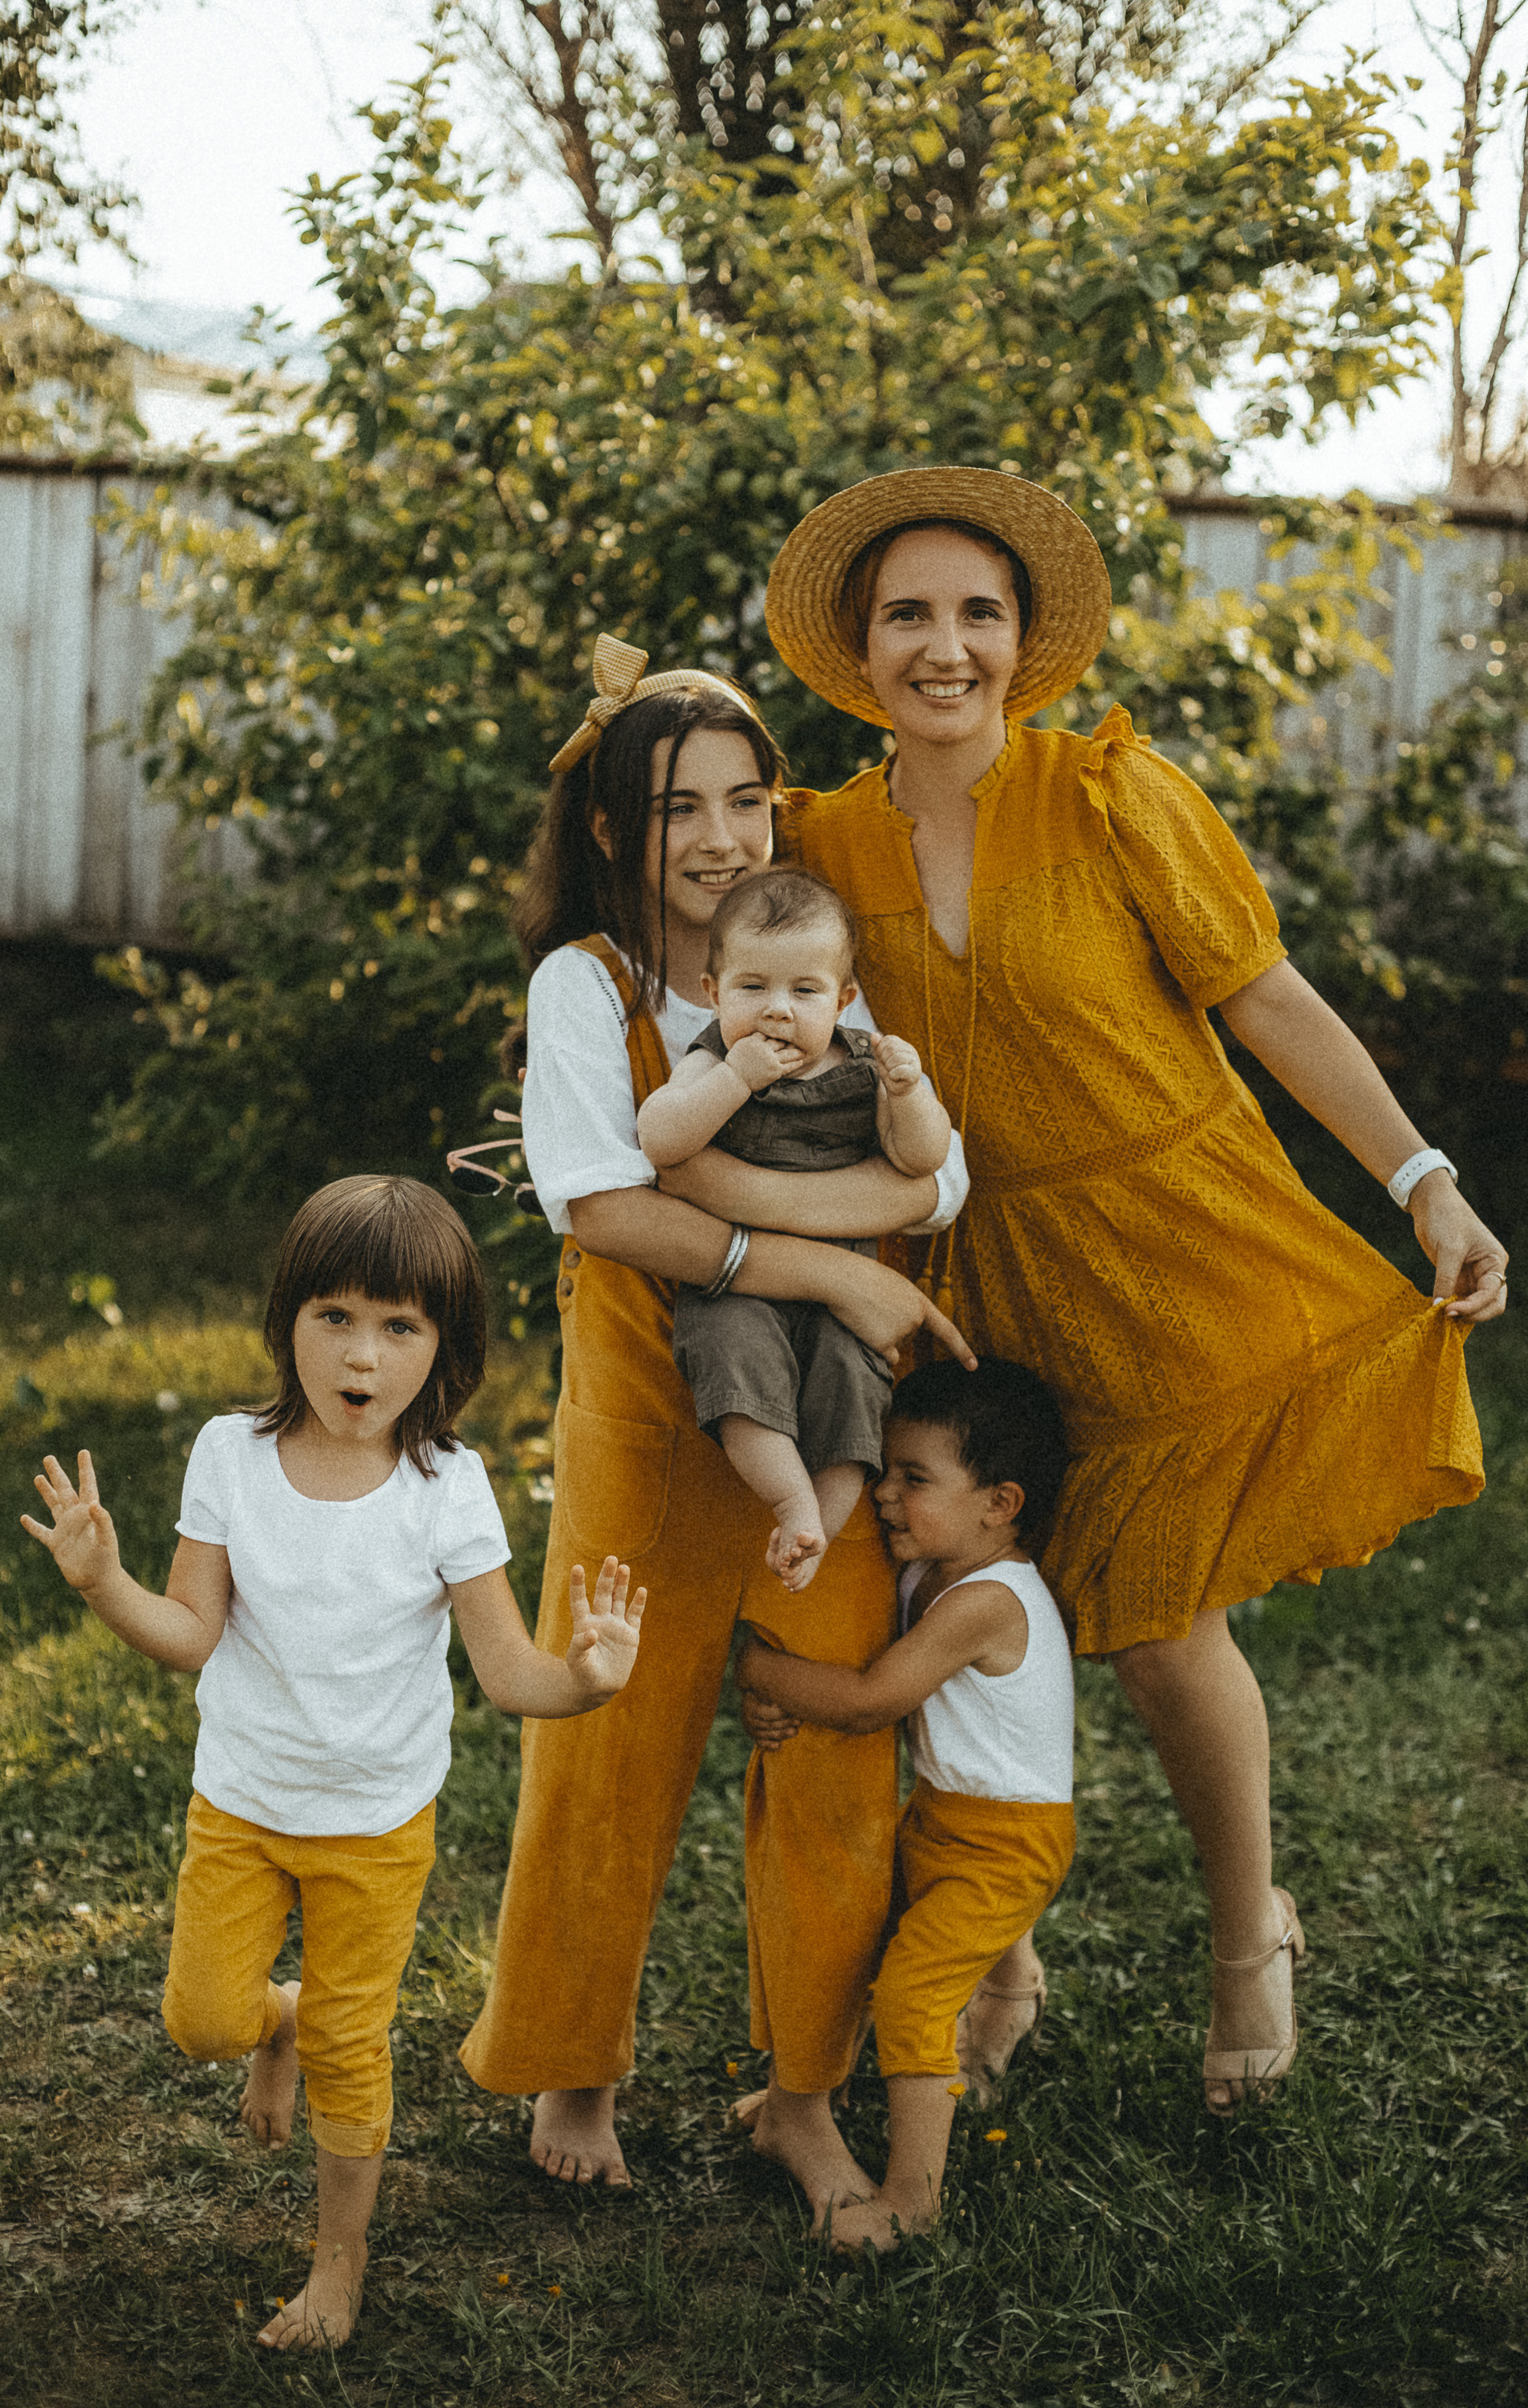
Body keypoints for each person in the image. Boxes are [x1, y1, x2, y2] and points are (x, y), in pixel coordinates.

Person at [680, 467, 1508, 2113]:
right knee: (945, 1602)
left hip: (1171, 1245)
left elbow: (1264, 1000)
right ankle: (995, 1954)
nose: (945, 645)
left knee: (1151, 1625)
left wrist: (1422, 1178)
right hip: (976, 1272)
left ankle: (1241, 1943)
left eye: (977, 613)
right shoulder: (823, 845)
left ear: (1022, 640)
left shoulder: (1115, 792)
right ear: (859, 647)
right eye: (908, 613)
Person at [456, 634, 973, 2216]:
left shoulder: (801, 957)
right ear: (616, 828)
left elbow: (933, 1179)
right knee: (612, 1729)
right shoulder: (588, 984)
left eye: (749, 798)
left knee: (831, 1738)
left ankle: (801, 2089)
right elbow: (599, 1204)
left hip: (820, 1417)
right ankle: (574, 2061)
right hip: (641, 1407)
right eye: (685, 807)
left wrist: (768, 1209)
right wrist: (836, 1255)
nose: (727, 837)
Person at [19, 1174, 645, 2352]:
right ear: (288, 1322)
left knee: (360, 2052)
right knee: (203, 2022)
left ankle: (336, 2269)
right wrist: (106, 1584)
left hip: (375, 1823)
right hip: (243, 1806)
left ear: (443, 1349)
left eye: (400, 1326)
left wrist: (589, 1679)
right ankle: (279, 2020)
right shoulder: (230, 1456)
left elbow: (510, 1672)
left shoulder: (446, 1487)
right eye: (336, 1317)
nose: (364, 1353)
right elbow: (191, 1635)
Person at [738, 1356, 1076, 2251]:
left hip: (1005, 1844)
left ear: (997, 1504)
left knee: (912, 1995)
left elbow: (866, 1701)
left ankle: (911, 2202)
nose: (884, 1495)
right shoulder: (928, 1568)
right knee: (867, 1942)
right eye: (884, 1471)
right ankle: (800, 2097)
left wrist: (752, 1667)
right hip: (942, 1818)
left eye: (912, 1478)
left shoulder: (989, 1600)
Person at [637, 864, 952, 1590]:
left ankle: (821, 1527)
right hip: (739, 1284)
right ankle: (791, 1500)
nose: (777, 1012)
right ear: (714, 994)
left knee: (856, 1381)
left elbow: (921, 1159)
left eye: (803, 992)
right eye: (753, 989)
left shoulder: (869, 1063)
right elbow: (660, 1139)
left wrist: (909, 1094)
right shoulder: (713, 1060)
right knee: (732, 1358)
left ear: (843, 1000)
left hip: (847, 1288)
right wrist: (734, 1082)